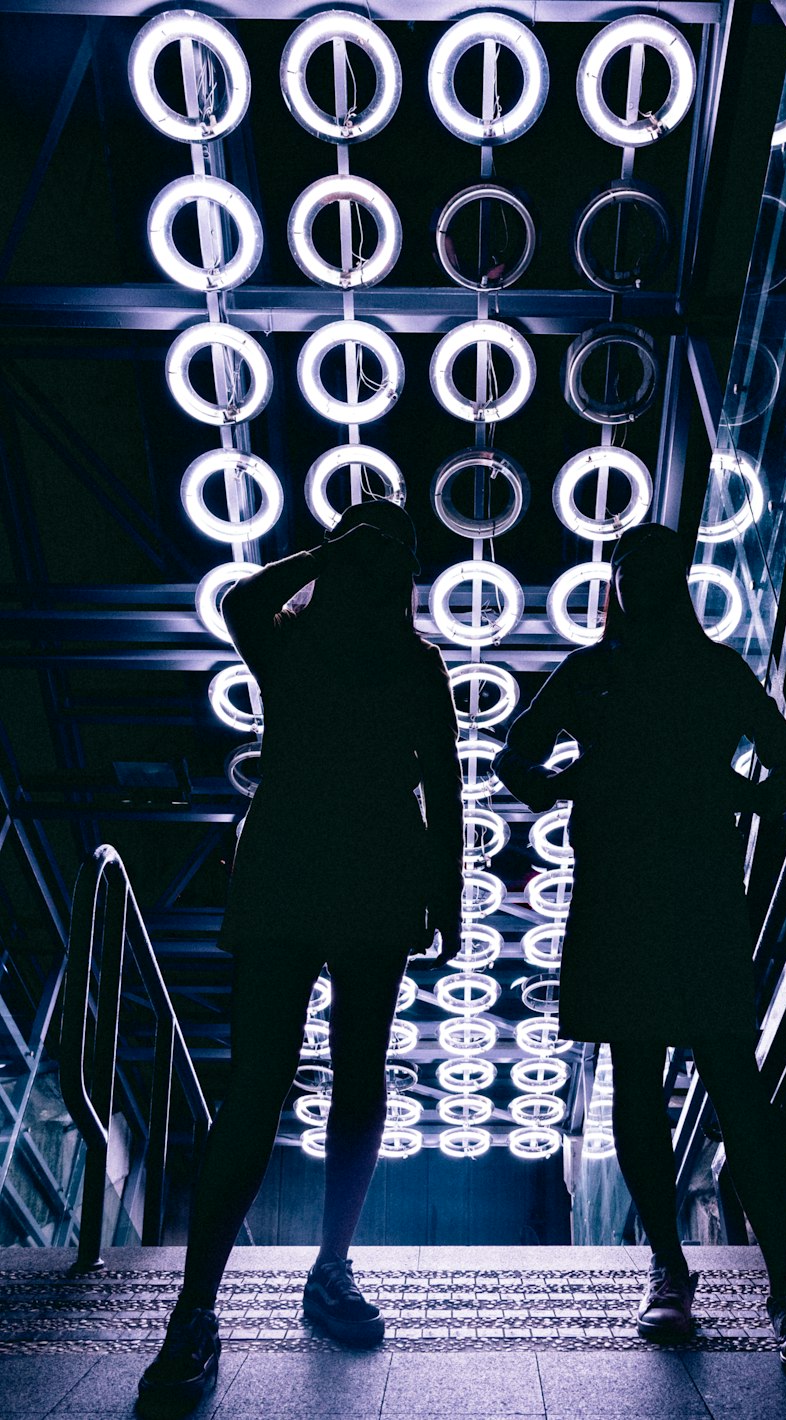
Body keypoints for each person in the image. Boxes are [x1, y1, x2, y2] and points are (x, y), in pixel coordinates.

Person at [137, 500, 463, 1416]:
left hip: (301, 869)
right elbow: (441, 783)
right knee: (327, 1079)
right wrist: (447, 893)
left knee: (295, 1081)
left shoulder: (312, 646)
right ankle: (296, 1281)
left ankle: (204, 1311)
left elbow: (444, 779)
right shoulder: (385, 655)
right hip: (354, 871)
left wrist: (450, 889)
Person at [494, 522, 786, 1381]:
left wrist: (576, 781)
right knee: (727, 1085)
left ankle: (677, 1273)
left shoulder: (596, 672)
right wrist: (740, 794)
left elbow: (516, 763)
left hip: (625, 892)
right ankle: (782, 1294)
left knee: (650, 1084)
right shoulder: (709, 669)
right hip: (692, 894)